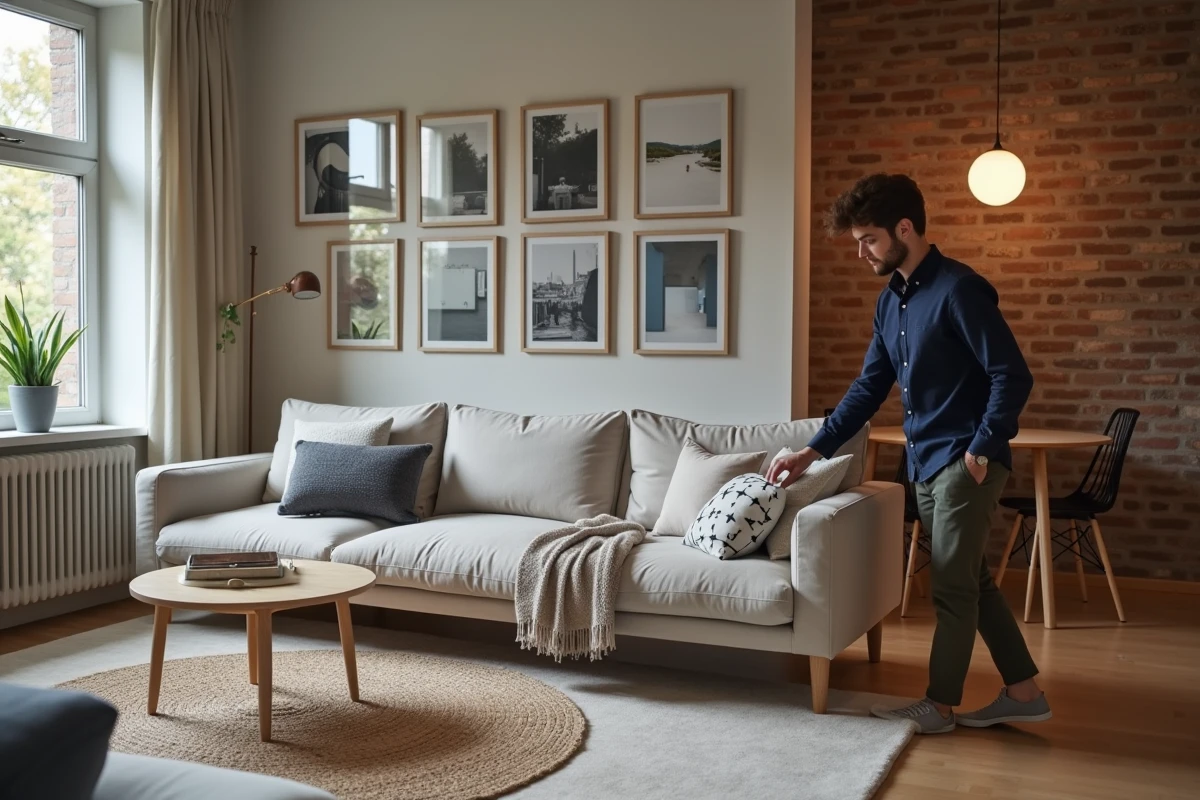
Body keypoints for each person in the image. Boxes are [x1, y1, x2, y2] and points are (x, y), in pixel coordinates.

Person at [765, 173, 1049, 735]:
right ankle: (1024, 692)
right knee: (971, 581)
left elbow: (1011, 375)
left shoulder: (960, 290)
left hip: (963, 463)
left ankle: (939, 707)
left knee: (951, 587)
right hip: (926, 463)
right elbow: (869, 388)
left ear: (904, 229)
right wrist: (810, 452)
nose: (862, 252)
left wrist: (980, 451)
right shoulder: (889, 302)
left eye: (868, 239)